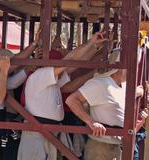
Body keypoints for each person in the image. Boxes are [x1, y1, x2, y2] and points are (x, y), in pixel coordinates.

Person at [17, 31, 107, 160]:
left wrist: (92, 45)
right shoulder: (40, 76)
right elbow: (71, 60)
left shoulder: (50, 79)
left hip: (47, 131)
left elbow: (75, 62)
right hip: (37, 132)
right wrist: (91, 43)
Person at [65, 49, 147, 160]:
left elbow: (119, 101)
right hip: (101, 147)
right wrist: (91, 122)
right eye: (133, 65)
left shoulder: (124, 86)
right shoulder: (100, 84)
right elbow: (72, 100)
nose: (135, 70)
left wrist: (138, 95)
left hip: (118, 147)